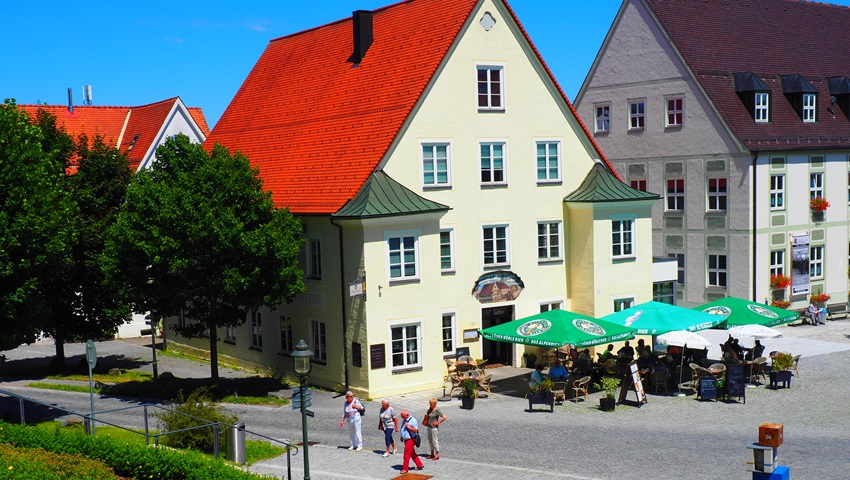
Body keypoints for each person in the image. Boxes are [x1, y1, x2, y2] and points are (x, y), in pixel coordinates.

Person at [399, 409, 425, 474]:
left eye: (403, 416)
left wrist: (409, 427)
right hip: (406, 439)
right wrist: (402, 436)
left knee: (406, 454)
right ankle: (419, 464)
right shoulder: (405, 420)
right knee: (412, 453)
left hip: (411, 439)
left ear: (407, 415)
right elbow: (403, 429)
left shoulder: (413, 420)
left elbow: (416, 430)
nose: (402, 417)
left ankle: (405, 469)